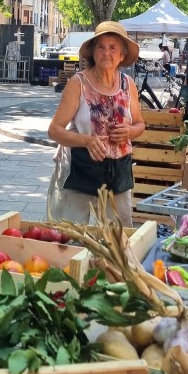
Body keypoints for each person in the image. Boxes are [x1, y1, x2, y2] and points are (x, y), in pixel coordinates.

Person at [47, 21, 145, 226]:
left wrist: (129, 131)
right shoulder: (78, 83)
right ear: (93, 52)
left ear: (122, 55)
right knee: (70, 234)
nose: (106, 52)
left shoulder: (128, 85)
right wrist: (87, 141)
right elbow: (54, 130)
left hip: (117, 172)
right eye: (100, 47)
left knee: (117, 234)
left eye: (113, 47)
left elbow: (139, 124)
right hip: (80, 170)